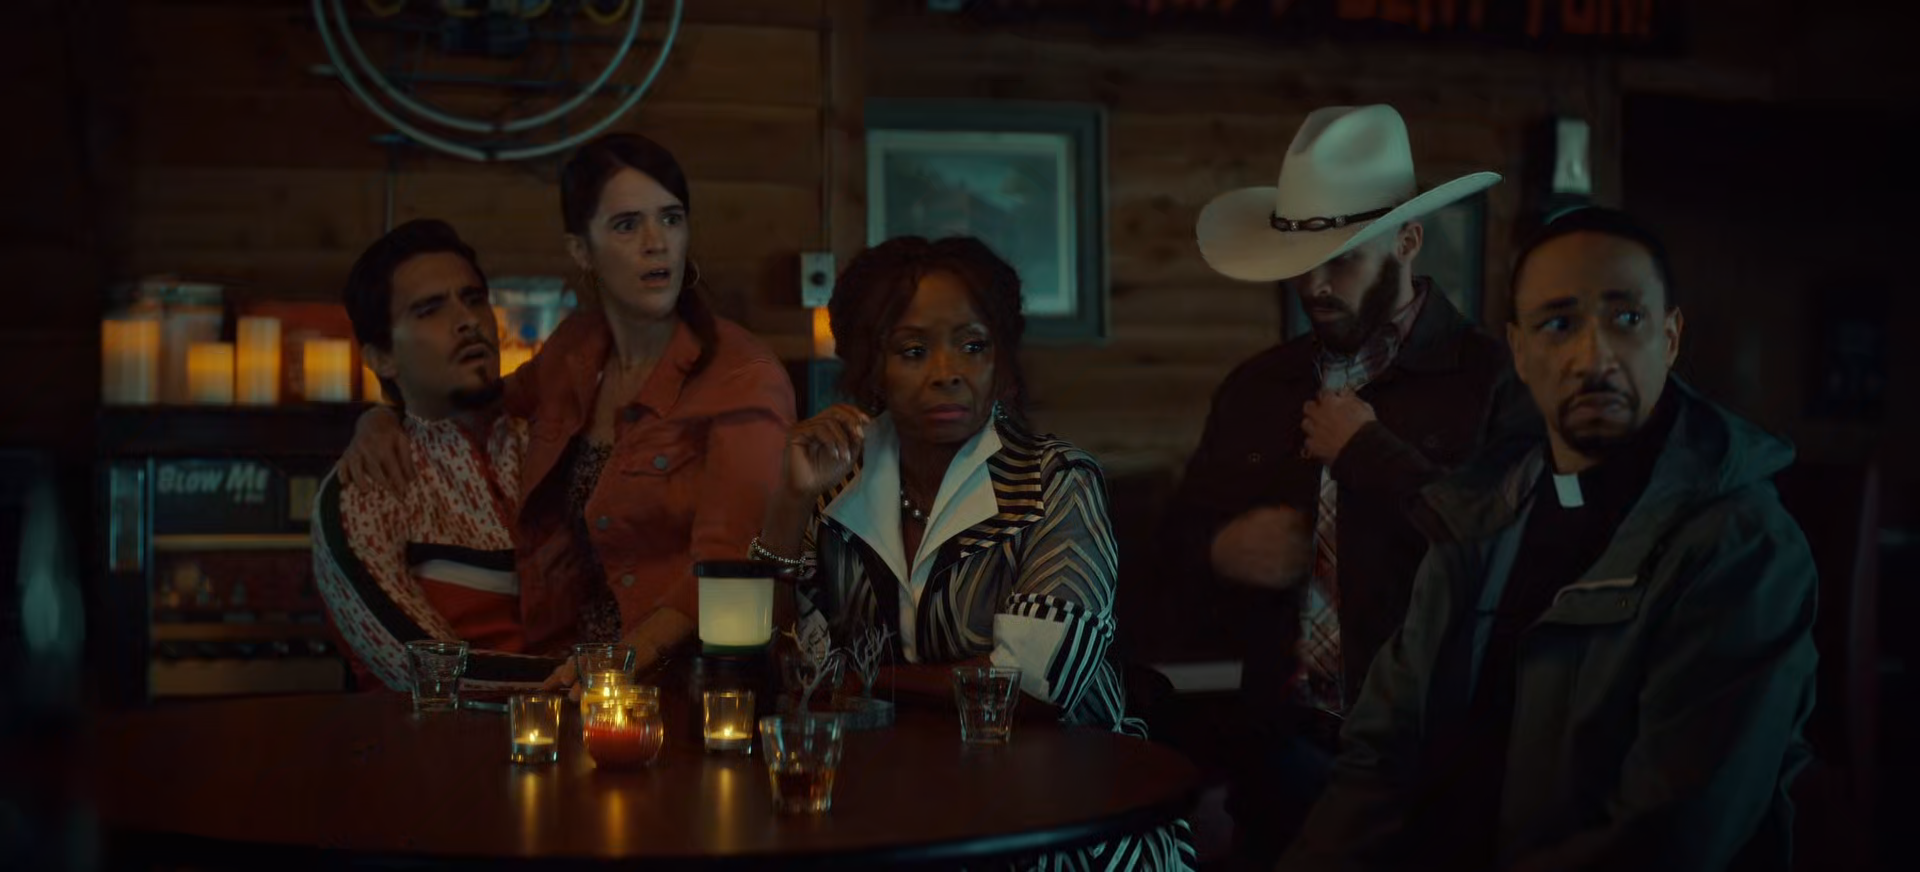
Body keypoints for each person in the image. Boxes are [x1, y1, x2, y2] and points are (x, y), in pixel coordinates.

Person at [1282, 207, 1817, 872]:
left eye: (1627, 318)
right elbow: (1383, 754)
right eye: (1559, 324)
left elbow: (1671, 835)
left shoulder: (1741, 544)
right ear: (1521, 351)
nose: (1594, 357)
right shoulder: (1482, 516)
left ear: (1671, 337)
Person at [754, 236, 1196, 870]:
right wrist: (791, 500)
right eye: (913, 351)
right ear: (870, 367)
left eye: (973, 345)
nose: (947, 372)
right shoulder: (836, 486)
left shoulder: (1056, 483)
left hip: (1067, 821)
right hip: (893, 810)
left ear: (1001, 362)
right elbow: (781, 663)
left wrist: (864, 682)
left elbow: (1035, 686)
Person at [1165, 103, 1530, 866]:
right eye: (1302, 261)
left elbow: (1509, 557)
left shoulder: (1494, 382)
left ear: (1409, 240)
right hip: (1278, 748)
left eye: (1342, 260)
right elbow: (1175, 544)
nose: (1315, 285)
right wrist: (1219, 550)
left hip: (1436, 768)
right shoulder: (1257, 387)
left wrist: (1370, 453)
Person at [338, 134, 796, 686]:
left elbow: (730, 562)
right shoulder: (577, 351)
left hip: (682, 683)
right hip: (572, 677)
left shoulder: (741, 375)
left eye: (671, 219)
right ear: (582, 250)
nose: (657, 243)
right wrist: (380, 415)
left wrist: (616, 665)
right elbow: (477, 399)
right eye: (626, 225)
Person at [314, 219, 563, 693]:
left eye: (474, 299)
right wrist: (593, 678)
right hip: (438, 739)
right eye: (430, 310)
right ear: (382, 357)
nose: (468, 320)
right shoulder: (366, 488)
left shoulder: (552, 447)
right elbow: (429, 670)